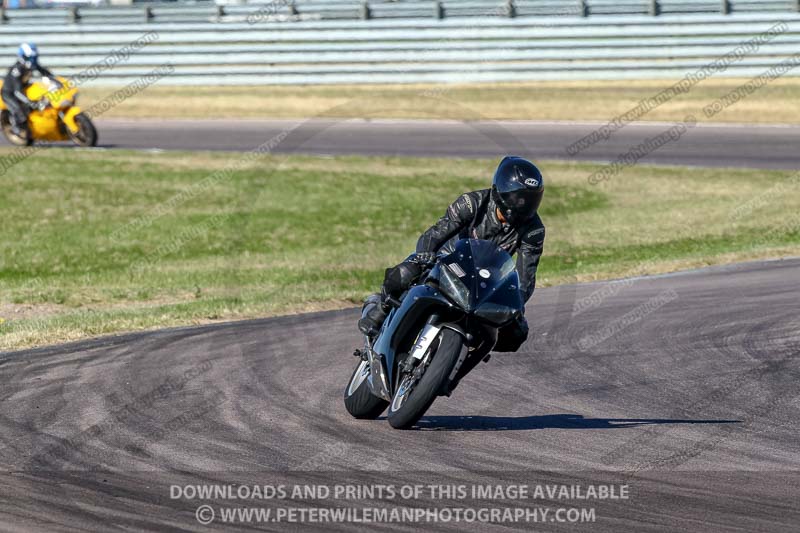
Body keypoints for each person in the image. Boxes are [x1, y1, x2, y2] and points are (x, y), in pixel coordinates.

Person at [358, 156, 546, 352]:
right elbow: (435, 234)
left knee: (517, 332)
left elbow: (526, 277)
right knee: (406, 272)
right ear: (500, 192)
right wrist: (425, 254)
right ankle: (381, 308)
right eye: (518, 197)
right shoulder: (472, 203)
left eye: (530, 199)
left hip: (484, 282)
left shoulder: (534, 230)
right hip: (447, 263)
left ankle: (461, 357)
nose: (523, 205)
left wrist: (516, 303)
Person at [2, 43, 61, 135]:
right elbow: (17, 92)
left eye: (34, 58)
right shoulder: (17, 69)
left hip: (23, 88)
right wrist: (29, 102)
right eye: (30, 58)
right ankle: (16, 128)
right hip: (9, 93)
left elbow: (45, 73)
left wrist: (56, 81)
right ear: (23, 56)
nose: (32, 60)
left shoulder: (32, 64)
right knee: (19, 110)